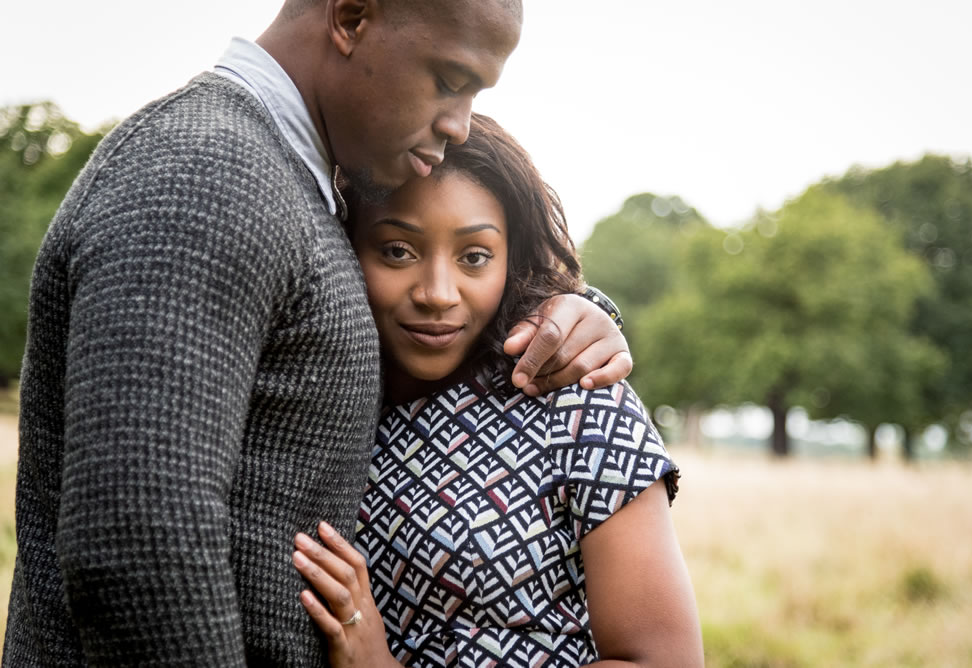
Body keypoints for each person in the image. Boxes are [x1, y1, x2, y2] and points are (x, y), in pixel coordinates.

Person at [3, 1, 632, 665]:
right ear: (352, 17)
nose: (459, 123)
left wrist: (577, 312)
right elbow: (137, 545)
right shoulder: (208, 172)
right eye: (450, 80)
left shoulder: (291, 184)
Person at [291, 114, 704, 667]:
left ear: (513, 258)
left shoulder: (577, 399)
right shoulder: (315, 403)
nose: (438, 293)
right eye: (396, 250)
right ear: (345, 248)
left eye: (475, 256)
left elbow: (663, 662)